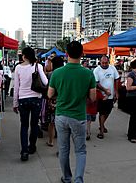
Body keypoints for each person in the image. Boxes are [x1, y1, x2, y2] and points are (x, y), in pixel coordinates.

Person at [48, 41, 96, 183]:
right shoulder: (88, 73)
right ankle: (79, 180)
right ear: (82, 54)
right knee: (80, 151)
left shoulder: (57, 73)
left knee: (63, 150)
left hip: (61, 115)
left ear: (66, 54)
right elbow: (93, 98)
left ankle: (67, 178)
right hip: (78, 116)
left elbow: (50, 94)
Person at [13, 47, 48, 161]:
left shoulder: (18, 67)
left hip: (23, 99)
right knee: (34, 125)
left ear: (24, 56)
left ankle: (24, 151)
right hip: (36, 99)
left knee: (24, 125)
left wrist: (15, 103)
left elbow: (16, 87)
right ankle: (32, 146)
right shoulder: (38, 66)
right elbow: (46, 82)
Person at [93, 55, 120, 139]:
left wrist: (116, 91)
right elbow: (96, 83)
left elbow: (117, 79)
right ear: (100, 62)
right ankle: (101, 131)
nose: (104, 64)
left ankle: (102, 124)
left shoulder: (112, 68)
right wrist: (105, 90)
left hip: (111, 95)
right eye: (103, 63)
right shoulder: (96, 70)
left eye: (106, 63)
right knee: (102, 112)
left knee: (108, 111)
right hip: (101, 95)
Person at [45, 56, 64, 147]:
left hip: (53, 101)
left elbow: (49, 90)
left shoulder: (51, 74)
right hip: (63, 100)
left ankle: (51, 141)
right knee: (61, 124)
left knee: (51, 122)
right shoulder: (66, 74)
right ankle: (60, 145)